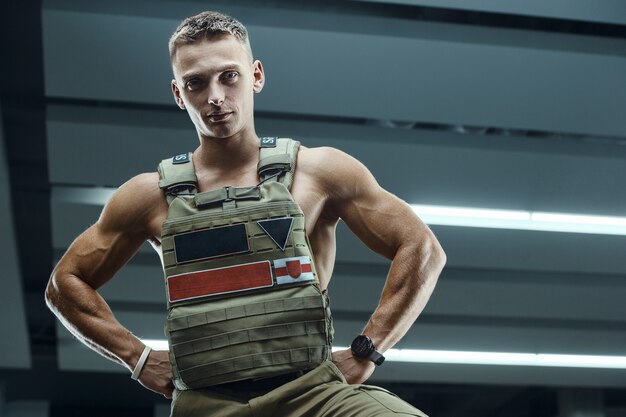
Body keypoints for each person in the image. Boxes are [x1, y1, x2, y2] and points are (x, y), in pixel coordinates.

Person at [45, 10, 446, 417]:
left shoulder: (320, 172)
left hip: (313, 395)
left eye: (229, 76)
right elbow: (64, 284)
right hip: (205, 404)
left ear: (255, 76)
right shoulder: (147, 196)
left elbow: (422, 248)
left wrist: (368, 349)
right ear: (178, 93)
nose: (215, 96)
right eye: (196, 83)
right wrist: (137, 357)